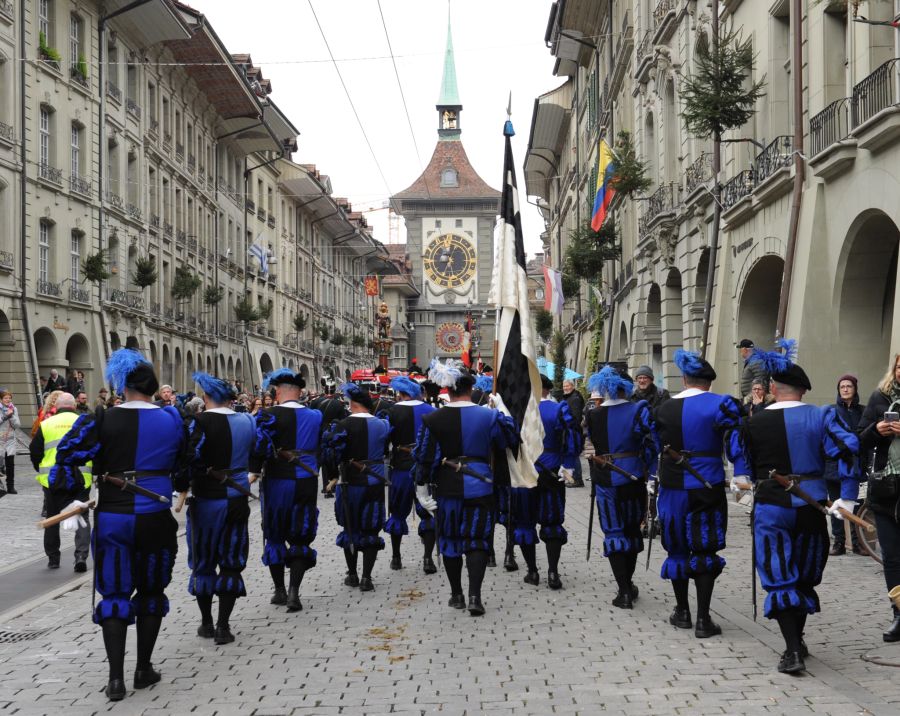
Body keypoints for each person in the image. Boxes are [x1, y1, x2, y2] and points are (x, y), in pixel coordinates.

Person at [55, 349, 188, 701]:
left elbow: (67, 457)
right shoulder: (173, 418)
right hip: (156, 515)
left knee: (113, 591)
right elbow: (185, 464)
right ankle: (143, 668)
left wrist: (76, 496)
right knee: (151, 591)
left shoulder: (100, 418)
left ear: (123, 385)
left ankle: (116, 678)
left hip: (114, 515)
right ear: (153, 388)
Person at [738, 340, 860, 673]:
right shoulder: (821, 415)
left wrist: (746, 484)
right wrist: (847, 498)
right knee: (804, 574)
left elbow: (743, 466)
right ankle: (798, 641)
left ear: (774, 388)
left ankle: (792, 649)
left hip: (770, 506)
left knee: (780, 575)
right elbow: (848, 449)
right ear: (803, 391)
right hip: (812, 505)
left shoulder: (751, 422)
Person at [651, 349, 748, 639]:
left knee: (677, 548)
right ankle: (704, 619)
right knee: (704, 548)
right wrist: (741, 474)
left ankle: (682, 612)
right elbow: (735, 444)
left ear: (683, 379)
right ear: (708, 382)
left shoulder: (661, 408)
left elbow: (655, 445)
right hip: (707, 484)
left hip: (671, 487)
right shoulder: (721, 405)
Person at [412, 359, 520, 615]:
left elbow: (424, 457)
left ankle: (456, 594)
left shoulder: (432, 418)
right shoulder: (489, 415)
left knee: (449, 541)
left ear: (447, 390)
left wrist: (421, 489)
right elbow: (509, 440)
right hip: (481, 486)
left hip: (447, 488)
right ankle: (475, 596)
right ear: (471, 389)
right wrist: (502, 411)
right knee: (477, 541)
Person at [183, 372, 255, 646]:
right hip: (236, 498)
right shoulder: (248, 421)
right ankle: (224, 626)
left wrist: (183, 483)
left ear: (206, 397)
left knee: (203, 561)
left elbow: (189, 457)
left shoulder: (198, 422)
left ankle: (207, 622)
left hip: (206, 501)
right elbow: (259, 449)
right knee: (230, 560)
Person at [249, 368, 323, 613]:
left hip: (278, 481)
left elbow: (259, 446)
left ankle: (279, 590)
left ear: (279, 391)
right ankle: (294, 591)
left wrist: (254, 471)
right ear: (300, 393)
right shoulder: (315, 415)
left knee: (275, 533)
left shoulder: (268, 415)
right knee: (301, 534)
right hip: (306, 480)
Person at [586, 366, 656, 608]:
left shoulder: (592, 414)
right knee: (631, 531)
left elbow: (591, 444)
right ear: (626, 388)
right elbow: (649, 442)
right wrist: (650, 469)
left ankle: (624, 589)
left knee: (614, 532)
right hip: (633, 476)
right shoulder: (638, 409)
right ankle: (628, 583)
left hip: (606, 478)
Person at [511, 374, 581, 590]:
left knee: (524, 523)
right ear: (548, 389)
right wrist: (568, 464)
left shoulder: (516, 409)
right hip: (552, 469)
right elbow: (573, 436)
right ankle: (553, 572)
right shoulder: (559, 409)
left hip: (524, 471)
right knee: (551, 522)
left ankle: (532, 572)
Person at [322, 383, 391, 591]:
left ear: (352, 404)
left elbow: (331, 456)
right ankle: (367, 577)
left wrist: (332, 476)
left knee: (350, 527)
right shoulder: (382, 424)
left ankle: (352, 574)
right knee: (371, 528)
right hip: (375, 481)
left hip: (350, 482)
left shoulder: (342, 425)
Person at [858, 353, 900, 642]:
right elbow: (858, 438)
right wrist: (877, 430)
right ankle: (898, 614)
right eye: (899, 365)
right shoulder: (879, 397)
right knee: (893, 558)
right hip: (886, 489)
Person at [29, 393, 91, 570]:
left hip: (52, 479)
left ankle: (53, 558)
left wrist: (40, 469)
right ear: (75, 405)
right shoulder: (85, 423)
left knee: (53, 517)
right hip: (81, 477)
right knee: (81, 517)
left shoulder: (46, 424)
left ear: (56, 407)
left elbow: (35, 451)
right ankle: (81, 556)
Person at [384, 376, 437, 573]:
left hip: (401, 469)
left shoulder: (392, 411)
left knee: (397, 513)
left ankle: (396, 557)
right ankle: (427, 559)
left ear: (402, 394)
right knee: (429, 513)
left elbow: (385, 439)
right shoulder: (432, 411)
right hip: (426, 470)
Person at [825, 374, 865, 556]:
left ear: (855, 389)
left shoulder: (863, 412)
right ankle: (839, 542)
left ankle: (858, 543)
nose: (846, 389)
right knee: (836, 505)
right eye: (842, 387)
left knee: (856, 504)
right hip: (835, 463)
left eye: (849, 386)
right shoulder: (832, 411)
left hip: (855, 464)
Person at [310, 384, 349, 498]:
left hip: (318, 433)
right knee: (331, 459)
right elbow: (342, 420)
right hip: (333, 434)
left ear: (324, 389)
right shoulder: (338, 404)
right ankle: (331, 485)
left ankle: (319, 485)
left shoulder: (315, 402)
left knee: (319, 459)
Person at [561, 379, 585, 487]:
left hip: (573, 432)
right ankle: (571, 478)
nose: (565, 388)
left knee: (574, 455)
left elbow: (576, 417)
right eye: (564, 386)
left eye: (567, 386)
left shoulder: (575, 398)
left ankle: (578, 479)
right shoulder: (569, 397)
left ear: (573, 386)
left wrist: (566, 423)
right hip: (570, 431)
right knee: (571, 454)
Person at [0, 391, 21, 494]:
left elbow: (17, 425)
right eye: (5, 398)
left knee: (10, 464)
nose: (8, 400)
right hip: (0, 440)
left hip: (10, 440)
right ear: (1, 399)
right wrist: (5, 417)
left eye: (9, 398)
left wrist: (11, 415)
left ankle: (10, 486)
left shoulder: (14, 409)